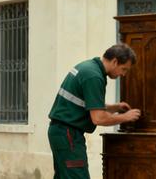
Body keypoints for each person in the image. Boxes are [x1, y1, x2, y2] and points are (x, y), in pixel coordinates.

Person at [47, 44, 142, 179]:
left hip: (61, 132)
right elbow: (98, 118)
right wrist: (125, 117)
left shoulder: (88, 67)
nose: (123, 74)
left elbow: (86, 103)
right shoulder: (94, 76)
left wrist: (114, 107)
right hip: (68, 135)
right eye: (124, 69)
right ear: (115, 61)